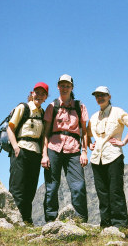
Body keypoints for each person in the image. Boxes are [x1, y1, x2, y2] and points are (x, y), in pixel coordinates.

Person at [87, 86, 128, 229]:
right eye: (97, 95)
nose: (100, 98)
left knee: (115, 190)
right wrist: (88, 144)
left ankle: (120, 224)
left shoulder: (117, 112)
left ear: (109, 96)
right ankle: (105, 224)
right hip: (97, 158)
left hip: (113, 156)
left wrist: (123, 142)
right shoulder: (93, 117)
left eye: (103, 95)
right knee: (102, 192)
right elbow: (85, 133)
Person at [41, 74, 89, 222]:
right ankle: (50, 220)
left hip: (74, 149)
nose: (65, 88)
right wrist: (44, 154)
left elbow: (84, 131)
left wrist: (85, 152)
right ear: (58, 86)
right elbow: (45, 132)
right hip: (53, 148)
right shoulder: (52, 106)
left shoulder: (80, 106)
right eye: (62, 85)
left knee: (78, 185)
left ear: (72, 87)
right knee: (52, 187)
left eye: (67, 85)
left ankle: (81, 219)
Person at [7, 82, 49, 225]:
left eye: (43, 94)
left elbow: (43, 135)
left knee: (30, 187)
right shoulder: (23, 108)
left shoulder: (42, 113)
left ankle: (26, 219)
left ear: (46, 97)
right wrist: (15, 147)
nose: (39, 95)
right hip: (21, 149)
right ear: (32, 93)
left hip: (35, 152)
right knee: (17, 186)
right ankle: (15, 220)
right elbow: (10, 128)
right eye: (37, 92)